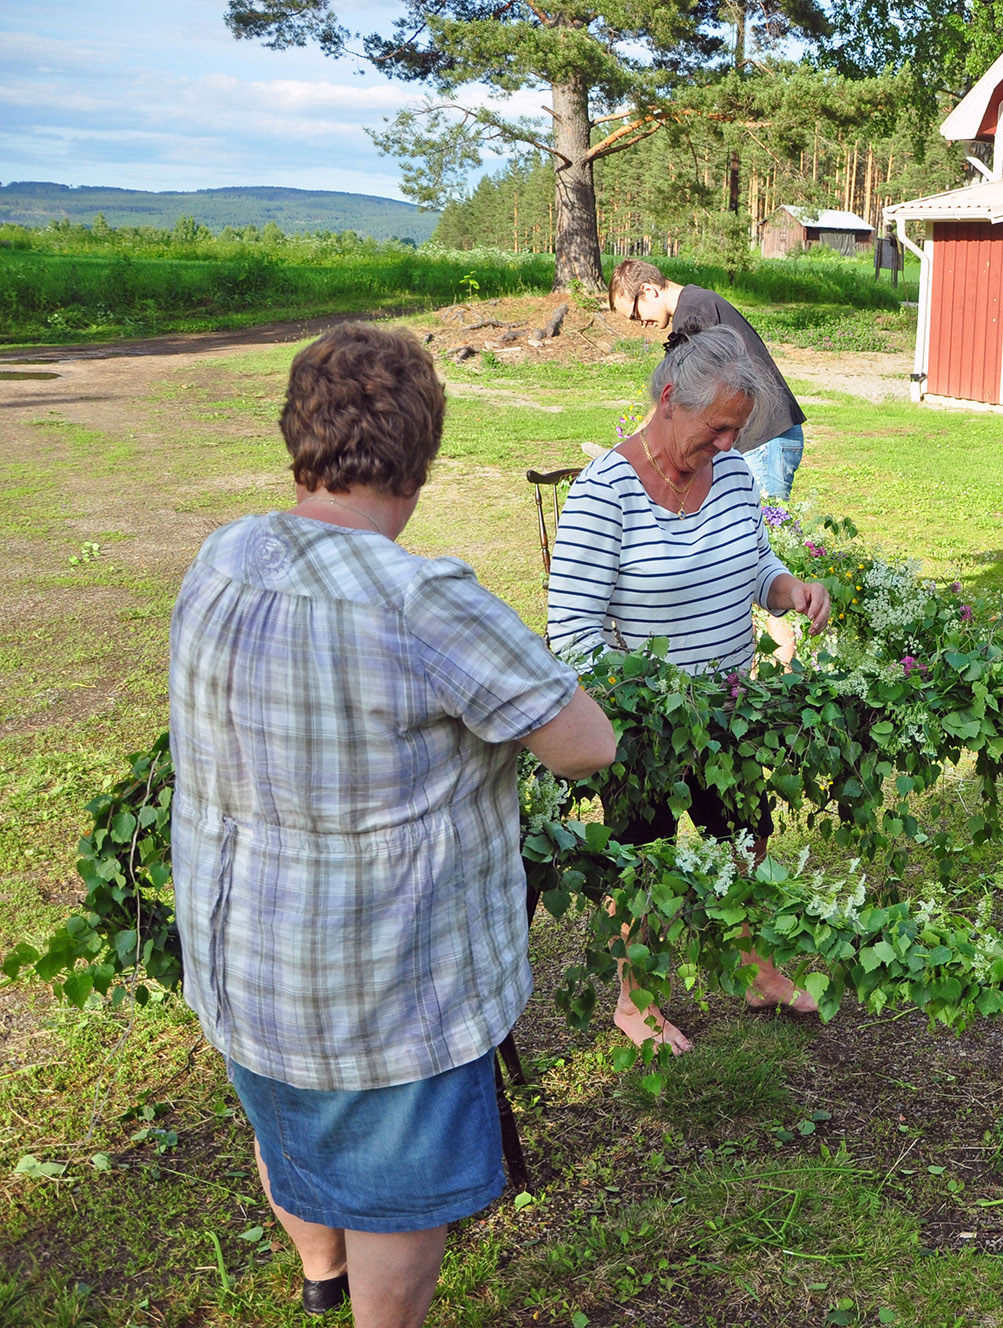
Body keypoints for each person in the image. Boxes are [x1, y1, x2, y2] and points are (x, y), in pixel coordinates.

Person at [169, 323, 616, 1326]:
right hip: (379, 990)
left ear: (301, 436)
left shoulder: (224, 555)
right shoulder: (421, 602)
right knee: (395, 1199)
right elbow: (586, 742)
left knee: (287, 1126)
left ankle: (317, 1273)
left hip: (244, 961)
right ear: (420, 455)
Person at [547, 325, 833, 1050]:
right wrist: (644, 703)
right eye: (719, 427)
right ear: (670, 399)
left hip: (728, 715)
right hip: (642, 730)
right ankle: (633, 1000)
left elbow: (755, 564)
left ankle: (751, 964)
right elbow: (571, 635)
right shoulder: (603, 494)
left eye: (737, 430)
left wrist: (787, 587)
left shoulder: (733, 474)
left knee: (746, 839)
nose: (730, 444)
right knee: (640, 862)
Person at [610, 258, 808, 504]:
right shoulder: (696, 303)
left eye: (635, 313)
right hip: (763, 438)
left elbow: (674, 392)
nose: (640, 323)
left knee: (763, 529)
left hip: (765, 437)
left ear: (648, 290)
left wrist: (631, 446)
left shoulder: (694, 312)